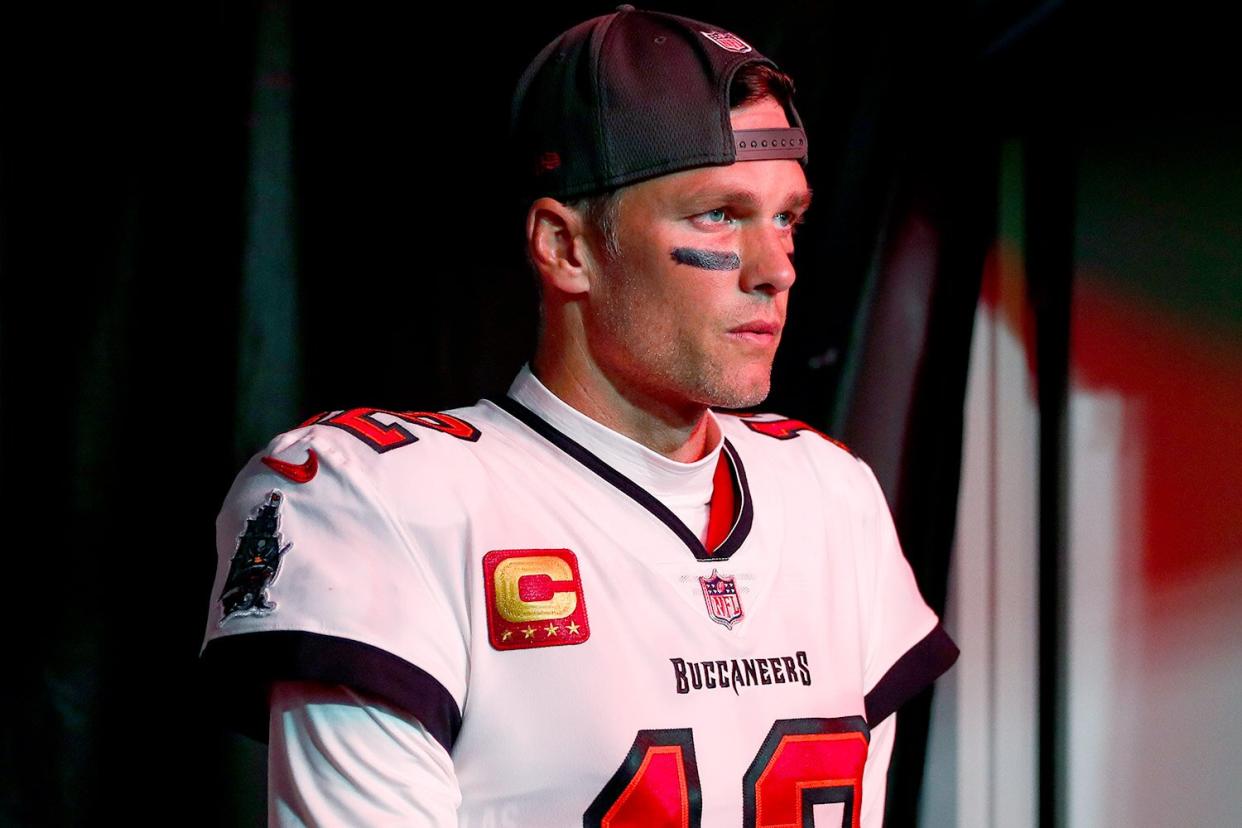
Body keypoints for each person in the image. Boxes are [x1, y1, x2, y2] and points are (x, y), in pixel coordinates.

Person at [201, 6, 959, 826]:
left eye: (786, 219)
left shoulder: (829, 494)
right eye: (720, 214)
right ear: (567, 248)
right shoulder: (383, 501)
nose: (776, 268)